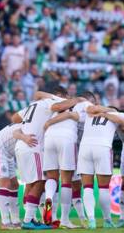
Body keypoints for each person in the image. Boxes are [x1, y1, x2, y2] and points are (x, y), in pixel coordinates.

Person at [11, 90, 78, 230]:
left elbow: (14, 118)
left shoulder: (33, 105)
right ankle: (28, 220)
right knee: (40, 181)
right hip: (33, 146)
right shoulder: (50, 102)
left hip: (21, 146)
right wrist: (76, 100)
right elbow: (58, 107)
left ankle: (32, 218)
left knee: (30, 183)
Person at [42, 91, 92, 228]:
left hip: (49, 137)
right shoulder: (86, 105)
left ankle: (49, 198)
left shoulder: (63, 103)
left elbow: (56, 108)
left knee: (51, 177)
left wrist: (49, 122)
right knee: (66, 181)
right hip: (67, 138)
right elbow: (72, 115)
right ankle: (64, 219)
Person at [77, 104, 124, 229]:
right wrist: (111, 112)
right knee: (103, 188)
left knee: (87, 187)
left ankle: (91, 220)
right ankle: (107, 220)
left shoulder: (90, 113)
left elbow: (86, 110)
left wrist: (102, 112)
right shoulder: (116, 114)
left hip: (84, 148)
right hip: (103, 147)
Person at [0, 123, 35, 229]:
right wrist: (25, 138)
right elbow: (15, 133)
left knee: (14, 185)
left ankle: (16, 221)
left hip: (9, 154)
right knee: (5, 183)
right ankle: (5, 222)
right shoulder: (27, 124)